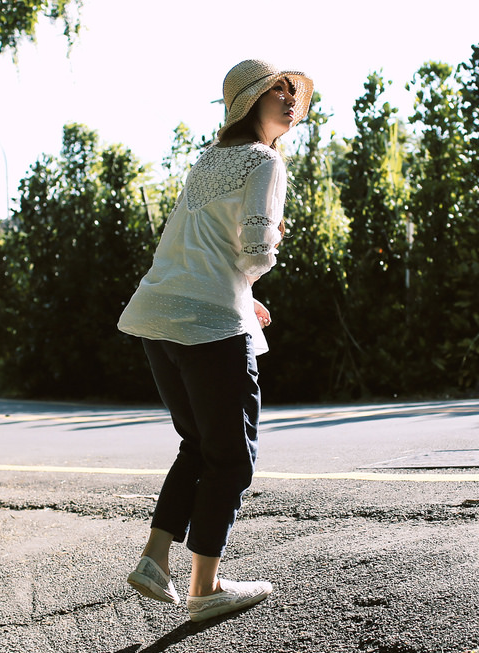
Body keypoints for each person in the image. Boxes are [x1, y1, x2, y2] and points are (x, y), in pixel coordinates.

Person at [117, 59, 313, 623]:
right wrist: (268, 248)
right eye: (277, 91)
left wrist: (243, 293)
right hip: (209, 326)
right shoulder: (265, 162)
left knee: (199, 444)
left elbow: (193, 247)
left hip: (159, 314)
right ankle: (205, 588)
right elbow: (254, 251)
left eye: (292, 92)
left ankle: (156, 559)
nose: (289, 99)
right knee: (232, 457)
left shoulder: (207, 160)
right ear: (251, 104)